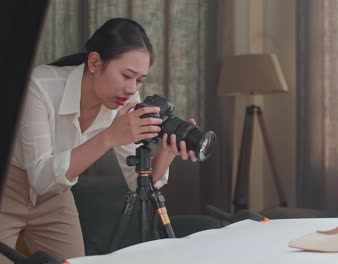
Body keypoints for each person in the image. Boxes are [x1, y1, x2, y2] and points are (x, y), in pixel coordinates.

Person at [0, 18, 196, 262]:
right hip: (8, 187)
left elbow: (138, 182)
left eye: (139, 80)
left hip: (56, 195)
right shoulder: (39, 86)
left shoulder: (126, 100)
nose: (131, 88)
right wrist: (110, 136)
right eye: (126, 75)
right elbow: (40, 177)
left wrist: (167, 152)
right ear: (94, 62)